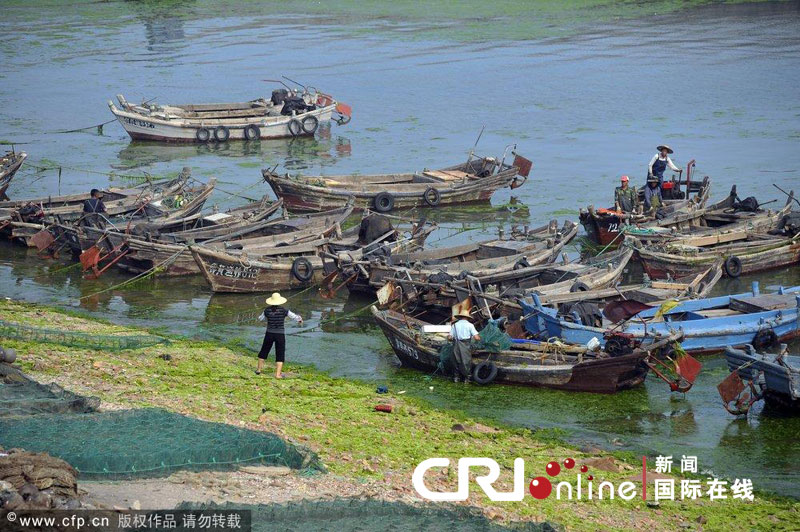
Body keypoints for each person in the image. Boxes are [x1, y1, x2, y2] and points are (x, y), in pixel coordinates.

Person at [256, 292, 302, 378]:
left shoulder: (266, 310)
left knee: (264, 350)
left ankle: (258, 370)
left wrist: (268, 318)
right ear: (280, 301)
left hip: (269, 333)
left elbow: (261, 319)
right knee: (280, 353)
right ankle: (277, 374)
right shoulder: (284, 310)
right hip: (280, 334)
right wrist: (300, 320)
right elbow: (294, 317)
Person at [447, 311, 481, 383]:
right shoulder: (470, 325)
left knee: (456, 360)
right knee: (466, 361)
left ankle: (456, 377)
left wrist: (452, 338)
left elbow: (449, 337)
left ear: (460, 317)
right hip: (465, 345)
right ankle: (466, 378)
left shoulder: (454, 325)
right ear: (467, 318)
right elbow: (477, 337)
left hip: (456, 344)